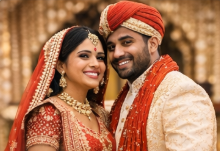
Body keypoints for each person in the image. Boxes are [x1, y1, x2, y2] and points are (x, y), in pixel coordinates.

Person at [99, 1, 216, 151]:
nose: (117, 53)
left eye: (127, 42)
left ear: (153, 44)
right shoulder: (126, 97)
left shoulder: (181, 92)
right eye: (111, 47)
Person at [5, 26, 116, 151]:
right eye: (84, 56)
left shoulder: (100, 113)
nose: (95, 64)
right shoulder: (48, 115)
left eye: (100, 57)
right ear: (60, 66)